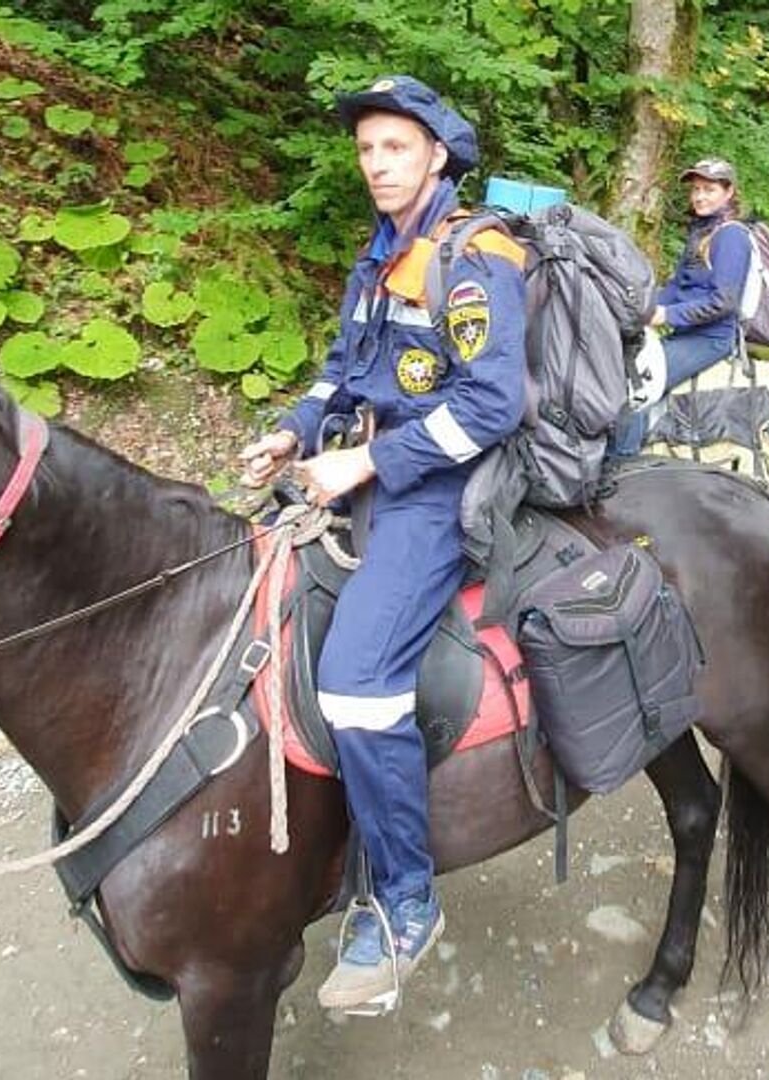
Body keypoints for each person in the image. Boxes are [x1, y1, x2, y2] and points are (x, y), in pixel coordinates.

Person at [235, 75, 527, 1013]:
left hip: (435, 494)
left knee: (356, 683)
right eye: (366, 150)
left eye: (394, 147)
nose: (375, 164)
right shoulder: (380, 255)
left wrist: (367, 465)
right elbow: (341, 374)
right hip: (357, 470)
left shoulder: (473, 256)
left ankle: (405, 899)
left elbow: (492, 403)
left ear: (436, 155)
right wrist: (292, 430)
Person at [612, 157, 753, 454]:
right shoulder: (701, 232)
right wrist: (639, 308)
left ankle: (621, 468)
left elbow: (724, 302)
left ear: (729, 192)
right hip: (686, 332)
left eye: (709, 189)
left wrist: (667, 314)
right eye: (696, 189)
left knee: (635, 391)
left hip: (711, 338)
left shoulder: (731, 236)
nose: (699, 196)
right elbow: (678, 286)